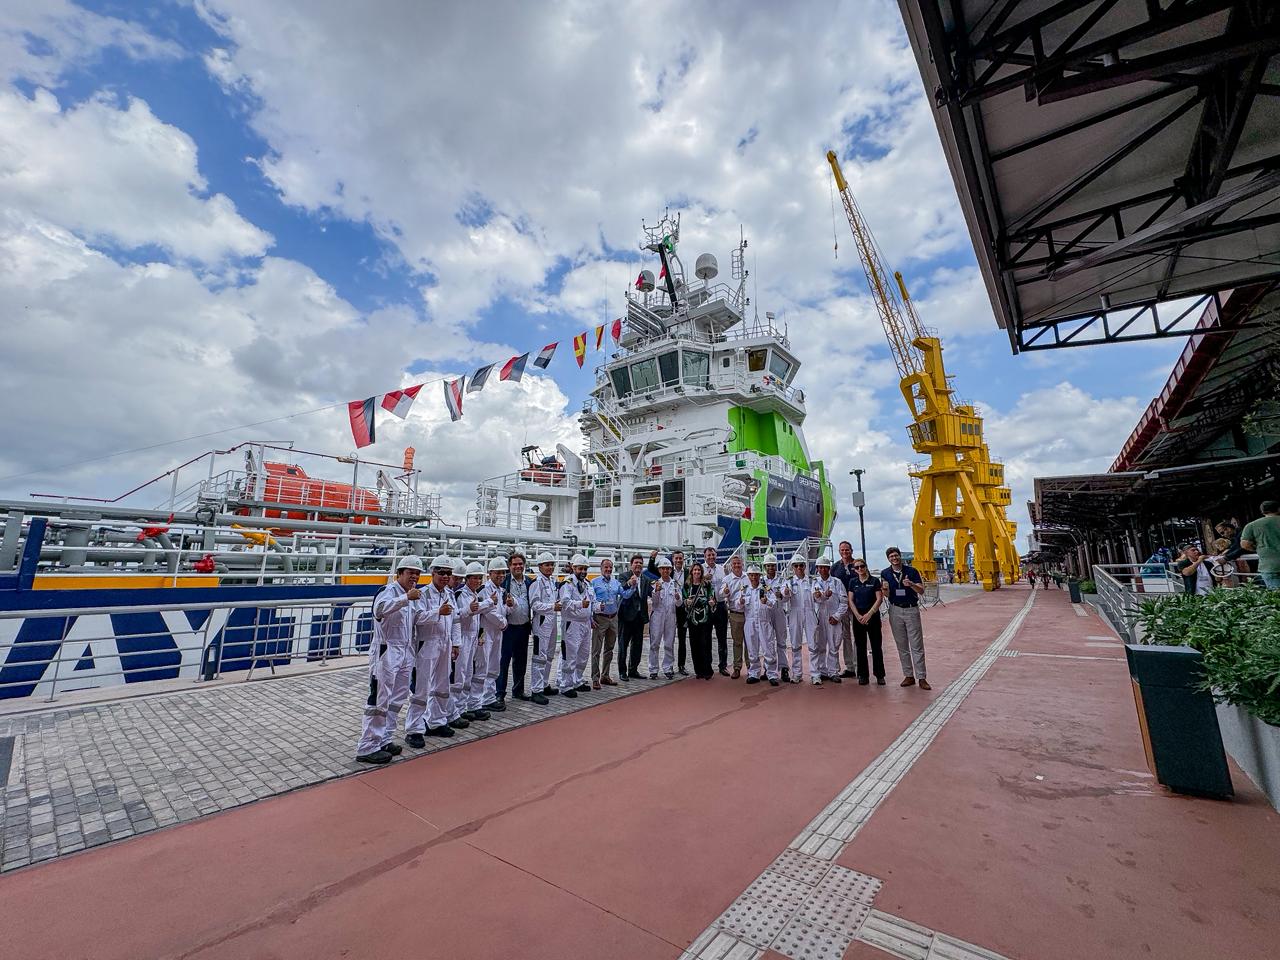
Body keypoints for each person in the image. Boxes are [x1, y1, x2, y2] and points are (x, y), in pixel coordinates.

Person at [356, 555, 423, 764]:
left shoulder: (411, 596)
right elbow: (379, 610)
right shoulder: (388, 591)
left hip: (405, 651)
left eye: (417, 573)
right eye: (410, 572)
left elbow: (415, 621)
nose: (414, 577)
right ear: (399, 574)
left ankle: (384, 738)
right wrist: (405, 598)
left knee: (397, 698)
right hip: (386, 651)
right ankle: (367, 746)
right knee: (379, 699)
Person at [405, 555, 458, 745]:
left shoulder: (449, 594)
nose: (445, 576)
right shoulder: (423, 594)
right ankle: (414, 729)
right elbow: (417, 618)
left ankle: (436, 721)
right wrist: (437, 612)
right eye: (441, 572)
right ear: (432, 573)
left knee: (442, 685)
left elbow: (455, 620)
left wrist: (456, 643)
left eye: (448, 573)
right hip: (426, 644)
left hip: (445, 643)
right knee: (422, 688)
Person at [450, 561, 493, 726]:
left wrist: (481, 638)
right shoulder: (460, 594)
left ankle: (463, 707)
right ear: (467, 579)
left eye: (479, 578)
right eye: (474, 578)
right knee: (458, 676)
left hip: (473, 638)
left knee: (468, 675)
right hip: (462, 637)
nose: (477, 581)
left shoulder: (475, 595)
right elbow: (458, 615)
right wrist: (483, 604)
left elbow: (478, 616)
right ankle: (454, 710)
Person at [881, 546, 929, 690]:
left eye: (896, 555)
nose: (894, 558)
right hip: (895, 609)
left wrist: (912, 584)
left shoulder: (912, 571)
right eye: (891, 556)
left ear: (900, 556)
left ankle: (922, 677)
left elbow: (921, 590)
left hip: (911, 609)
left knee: (916, 644)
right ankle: (908, 675)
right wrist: (885, 590)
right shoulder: (885, 573)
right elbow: (887, 595)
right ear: (888, 559)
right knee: (901, 645)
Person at [497, 552, 533, 705]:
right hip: (508, 628)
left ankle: (518, 690)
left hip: (523, 627)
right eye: (514, 564)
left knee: (521, 661)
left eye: (520, 564)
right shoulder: (504, 581)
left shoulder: (529, 582)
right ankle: (499, 693)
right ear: (509, 566)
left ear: (524, 565)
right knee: (503, 661)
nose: (518, 566)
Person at [474, 557, 508, 713]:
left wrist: (510, 607)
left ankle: (489, 697)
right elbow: (488, 612)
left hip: (496, 632)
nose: (501, 575)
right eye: (498, 572)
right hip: (485, 631)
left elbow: (502, 610)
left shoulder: (501, 591)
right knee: (483, 665)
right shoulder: (484, 589)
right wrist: (503, 623)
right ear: (490, 573)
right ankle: (478, 700)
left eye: (503, 573)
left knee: (494, 664)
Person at [556, 554, 593, 697]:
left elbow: (592, 601)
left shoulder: (587, 584)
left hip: (585, 623)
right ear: (573, 568)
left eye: (585, 569)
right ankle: (566, 685)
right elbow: (564, 602)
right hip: (572, 623)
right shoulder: (567, 583)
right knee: (570, 655)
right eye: (580, 568)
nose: (583, 571)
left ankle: (577, 680)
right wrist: (580, 604)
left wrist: (597, 608)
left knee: (583, 654)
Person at [528, 551, 561, 705]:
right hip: (541, 623)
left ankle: (544, 683)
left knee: (549, 655)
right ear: (540, 566)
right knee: (539, 657)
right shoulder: (537, 583)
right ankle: (536, 690)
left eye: (552, 565)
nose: (550, 567)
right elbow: (534, 604)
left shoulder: (552, 581)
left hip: (552, 622)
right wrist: (551, 607)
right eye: (547, 565)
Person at [846, 558, 885, 685]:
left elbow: (879, 599)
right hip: (858, 617)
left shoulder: (874, 581)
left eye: (862, 566)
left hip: (872, 616)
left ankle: (879, 675)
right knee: (860, 646)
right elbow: (850, 600)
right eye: (857, 567)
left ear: (866, 566)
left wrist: (869, 614)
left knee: (876, 646)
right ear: (854, 569)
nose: (860, 569)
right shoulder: (853, 582)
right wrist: (857, 615)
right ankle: (863, 675)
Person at [740, 564, 780, 685]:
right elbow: (738, 604)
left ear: (759, 576)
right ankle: (754, 673)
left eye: (756, 575)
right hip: (750, 622)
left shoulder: (766, 588)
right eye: (751, 575)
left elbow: (774, 602)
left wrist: (767, 601)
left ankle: (772, 674)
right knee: (752, 649)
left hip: (764, 621)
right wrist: (740, 602)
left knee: (768, 648)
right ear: (748, 576)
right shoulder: (745, 589)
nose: (754, 578)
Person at [813, 554, 847, 683]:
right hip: (820, 617)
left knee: (834, 645)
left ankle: (833, 671)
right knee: (820, 645)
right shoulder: (814, 582)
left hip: (833, 616)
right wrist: (822, 596)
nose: (823, 570)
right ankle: (822, 671)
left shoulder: (837, 582)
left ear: (829, 568)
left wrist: (837, 616)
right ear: (817, 568)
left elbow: (844, 602)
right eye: (820, 567)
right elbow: (814, 599)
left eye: (825, 567)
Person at [590, 556, 622, 688]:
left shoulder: (616, 583)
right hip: (600, 618)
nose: (608, 569)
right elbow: (590, 601)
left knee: (609, 649)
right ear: (601, 568)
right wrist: (590, 618)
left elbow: (624, 594)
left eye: (610, 567)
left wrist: (632, 586)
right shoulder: (594, 582)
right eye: (606, 567)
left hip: (613, 618)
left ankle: (605, 675)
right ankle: (595, 678)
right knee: (596, 650)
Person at [617, 554, 650, 680]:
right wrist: (629, 583)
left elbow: (650, 592)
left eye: (640, 563)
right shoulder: (623, 576)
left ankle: (633, 670)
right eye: (636, 562)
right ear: (631, 564)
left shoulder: (646, 579)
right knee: (623, 645)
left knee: (637, 645)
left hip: (640, 617)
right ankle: (622, 671)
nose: (638, 565)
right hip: (626, 616)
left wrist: (658, 589)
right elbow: (621, 587)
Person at [1233, 501, 1280, 589]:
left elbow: (1244, 544)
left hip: (1269, 566)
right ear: (1278, 509)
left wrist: (1256, 549)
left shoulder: (1252, 525)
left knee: (1276, 594)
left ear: (1262, 512)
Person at [784, 555, 815, 684]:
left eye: (801, 565)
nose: (799, 568)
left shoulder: (812, 581)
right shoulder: (789, 582)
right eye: (796, 566)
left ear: (805, 566)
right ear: (792, 567)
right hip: (795, 613)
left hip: (809, 612)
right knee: (795, 644)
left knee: (813, 644)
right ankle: (797, 673)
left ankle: (815, 673)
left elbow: (818, 597)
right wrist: (785, 593)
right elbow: (784, 598)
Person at [683, 562, 717, 679]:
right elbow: (683, 599)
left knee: (705, 644)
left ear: (701, 572)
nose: (697, 572)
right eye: (695, 570)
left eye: (699, 570)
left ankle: (707, 670)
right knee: (694, 644)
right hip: (692, 619)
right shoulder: (687, 585)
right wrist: (686, 602)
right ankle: (698, 670)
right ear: (691, 572)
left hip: (705, 619)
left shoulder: (707, 584)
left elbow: (712, 597)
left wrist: (711, 602)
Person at [830, 540, 859, 678]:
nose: (845, 552)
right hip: (842, 606)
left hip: (857, 605)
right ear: (839, 551)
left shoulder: (858, 564)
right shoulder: (835, 567)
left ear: (851, 551)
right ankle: (850, 667)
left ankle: (859, 665)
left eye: (847, 549)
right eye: (842, 550)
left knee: (858, 636)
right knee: (846, 636)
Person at [648, 555, 679, 679]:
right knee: (654, 643)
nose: (665, 571)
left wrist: (678, 598)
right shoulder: (655, 584)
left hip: (671, 615)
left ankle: (668, 667)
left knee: (669, 643)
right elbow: (654, 602)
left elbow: (679, 603)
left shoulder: (675, 584)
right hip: (658, 615)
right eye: (663, 568)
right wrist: (656, 591)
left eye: (668, 569)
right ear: (659, 570)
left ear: (671, 570)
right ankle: (653, 669)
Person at [762, 553, 791, 683]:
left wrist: (782, 595)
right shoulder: (761, 581)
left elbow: (786, 596)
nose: (771, 568)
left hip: (779, 611)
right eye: (768, 565)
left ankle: (784, 668)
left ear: (776, 566)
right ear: (765, 567)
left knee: (781, 640)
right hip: (766, 612)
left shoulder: (782, 580)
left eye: (773, 565)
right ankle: (768, 668)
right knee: (767, 641)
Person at [720, 553, 749, 678]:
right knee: (737, 642)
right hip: (735, 614)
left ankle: (751, 667)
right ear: (731, 566)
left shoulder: (748, 577)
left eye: (739, 563)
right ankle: (737, 667)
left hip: (748, 613)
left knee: (750, 642)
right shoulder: (727, 579)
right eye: (734, 564)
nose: (737, 565)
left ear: (742, 564)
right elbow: (721, 592)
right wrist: (725, 591)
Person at [703, 546, 730, 676]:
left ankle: (723, 665)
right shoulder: (700, 569)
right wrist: (703, 578)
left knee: (722, 637)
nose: (711, 557)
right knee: (706, 638)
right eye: (708, 555)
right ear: (705, 557)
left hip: (720, 605)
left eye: (713, 555)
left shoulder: (721, 569)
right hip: (706, 606)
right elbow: (693, 583)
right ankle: (707, 666)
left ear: (716, 555)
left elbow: (726, 586)